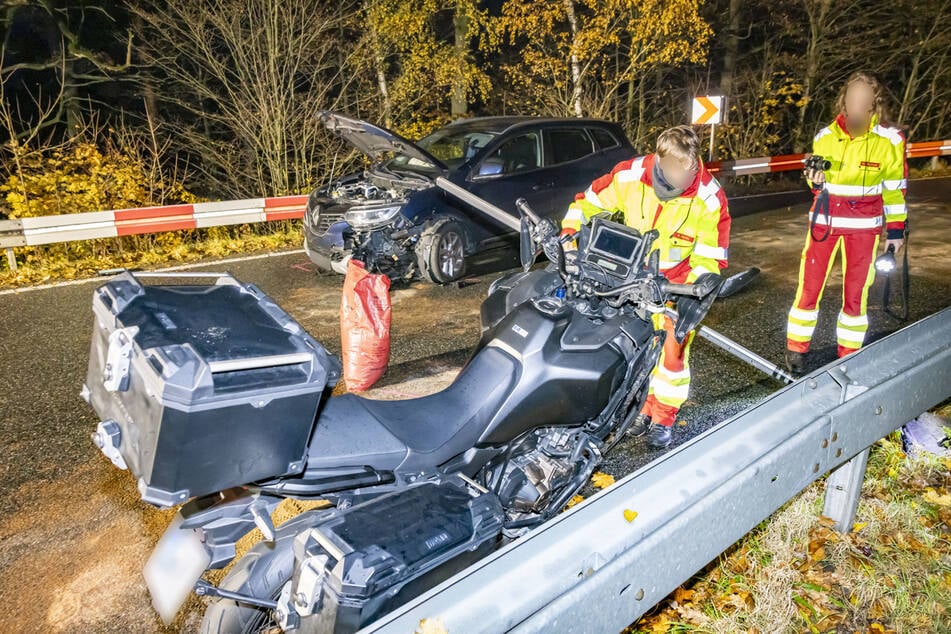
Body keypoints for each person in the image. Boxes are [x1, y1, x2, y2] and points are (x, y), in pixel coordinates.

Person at [561, 125, 731, 449]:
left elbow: (711, 256)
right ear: (660, 161)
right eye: (677, 170)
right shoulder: (630, 176)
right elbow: (587, 203)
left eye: (691, 168)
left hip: (675, 286)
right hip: (630, 280)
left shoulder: (708, 197)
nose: (685, 178)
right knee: (633, 349)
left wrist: (691, 291)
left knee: (672, 356)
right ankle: (640, 409)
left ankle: (663, 416)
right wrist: (569, 233)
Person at [785, 72, 908, 373]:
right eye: (851, 98)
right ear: (843, 100)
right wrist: (814, 182)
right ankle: (796, 349)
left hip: (864, 228)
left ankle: (848, 355)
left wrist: (895, 231)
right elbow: (818, 186)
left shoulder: (890, 142)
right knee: (809, 287)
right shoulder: (825, 137)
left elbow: (895, 191)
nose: (855, 104)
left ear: (873, 104)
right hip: (824, 224)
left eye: (863, 99)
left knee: (856, 293)